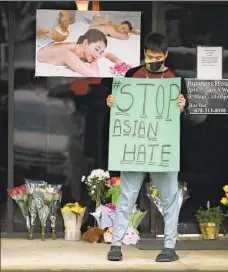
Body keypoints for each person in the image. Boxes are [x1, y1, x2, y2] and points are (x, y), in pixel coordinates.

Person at [105, 32, 188, 263]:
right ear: (144, 54)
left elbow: (187, 118)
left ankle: (169, 247)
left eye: (158, 57)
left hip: (163, 148)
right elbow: (121, 109)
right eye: (150, 56)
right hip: (135, 147)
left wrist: (183, 106)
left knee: (169, 198)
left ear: (166, 55)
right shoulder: (132, 75)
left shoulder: (176, 79)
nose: (154, 60)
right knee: (126, 196)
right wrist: (112, 102)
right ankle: (115, 244)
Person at [37, 29, 122, 77]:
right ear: (85, 43)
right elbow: (94, 74)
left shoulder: (82, 48)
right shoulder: (69, 54)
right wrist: (94, 61)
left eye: (100, 52)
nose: (98, 55)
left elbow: (107, 54)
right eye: (97, 49)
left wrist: (118, 61)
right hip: (40, 51)